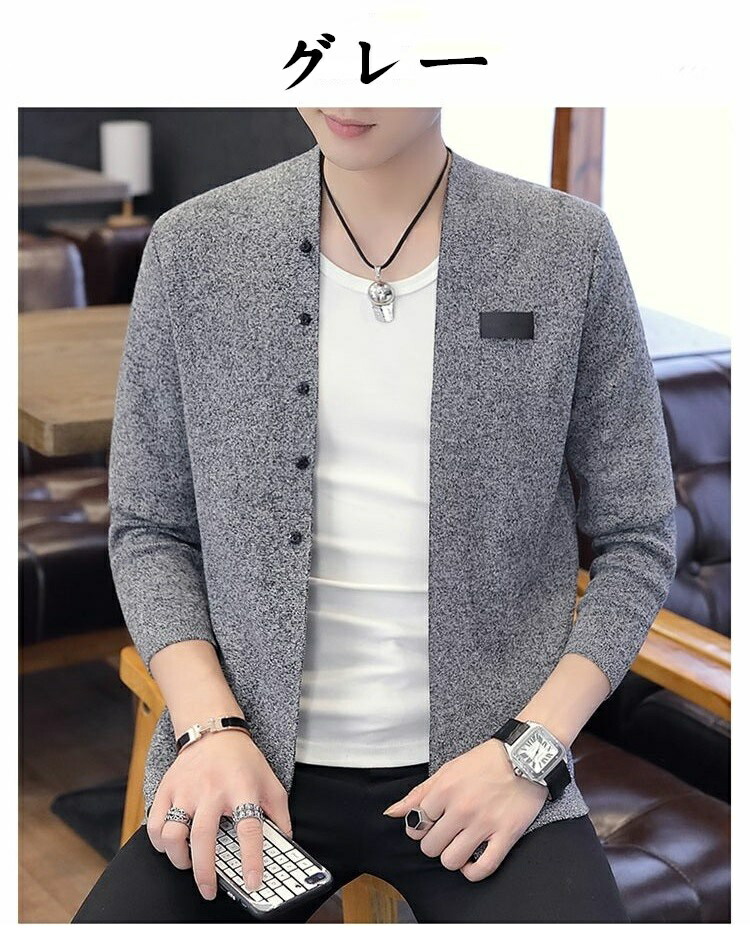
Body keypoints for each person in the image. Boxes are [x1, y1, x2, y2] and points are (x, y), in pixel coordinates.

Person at [71, 107, 677, 923]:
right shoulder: (195, 247)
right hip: (246, 757)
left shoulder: (567, 247)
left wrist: (531, 752)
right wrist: (209, 730)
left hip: (492, 764)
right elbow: (150, 528)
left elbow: (639, 538)